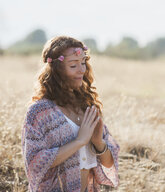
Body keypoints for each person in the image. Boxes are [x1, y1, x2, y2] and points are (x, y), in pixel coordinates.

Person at [21, 36, 120, 192]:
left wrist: (98, 143)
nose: (82, 70)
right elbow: (34, 161)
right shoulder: (40, 112)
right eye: (73, 65)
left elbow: (109, 163)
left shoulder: (87, 106)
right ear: (56, 69)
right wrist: (79, 141)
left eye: (83, 63)